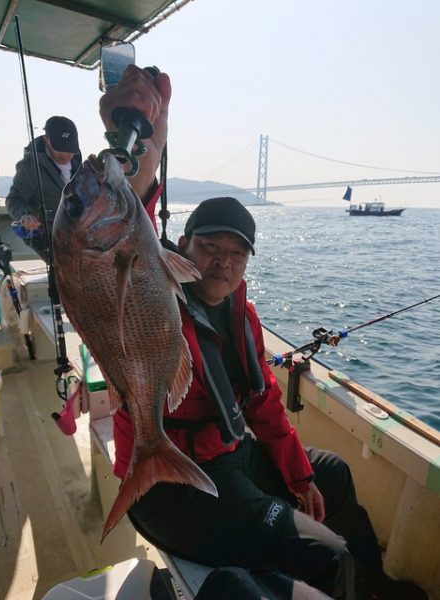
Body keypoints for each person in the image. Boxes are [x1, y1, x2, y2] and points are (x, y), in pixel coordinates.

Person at [99, 66, 428, 600]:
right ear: (181, 246)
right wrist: (146, 154)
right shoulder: (155, 291)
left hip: (229, 458)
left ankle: (377, 587)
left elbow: (262, 401)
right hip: (168, 484)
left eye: (236, 254)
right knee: (328, 555)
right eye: (209, 248)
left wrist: (298, 476)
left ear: (247, 264)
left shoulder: (240, 314)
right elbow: (123, 233)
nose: (222, 264)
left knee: (333, 476)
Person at [6, 116, 82, 262]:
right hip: (48, 237)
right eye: (60, 149)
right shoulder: (29, 167)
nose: (66, 155)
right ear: (47, 139)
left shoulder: (81, 165)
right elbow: (14, 200)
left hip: (78, 233)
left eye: (70, 150)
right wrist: (25, 215)